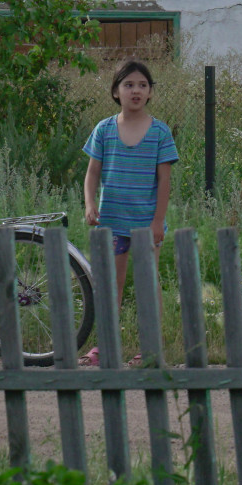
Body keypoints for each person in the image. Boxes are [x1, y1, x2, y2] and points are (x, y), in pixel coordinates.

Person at [81, 58, 177, 365]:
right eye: (128, 84)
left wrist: (158, 221)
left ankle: (150, 350)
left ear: (150, 93)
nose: (135, 90)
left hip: (146, 223)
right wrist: (90, 202)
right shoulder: (104, 129)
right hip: (111, 222)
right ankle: (104, 346)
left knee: (148, 284)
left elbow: (164, 180)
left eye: (142, 85)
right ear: (115, 91)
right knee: (111, 285)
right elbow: (92, 173)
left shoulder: (160, 132)